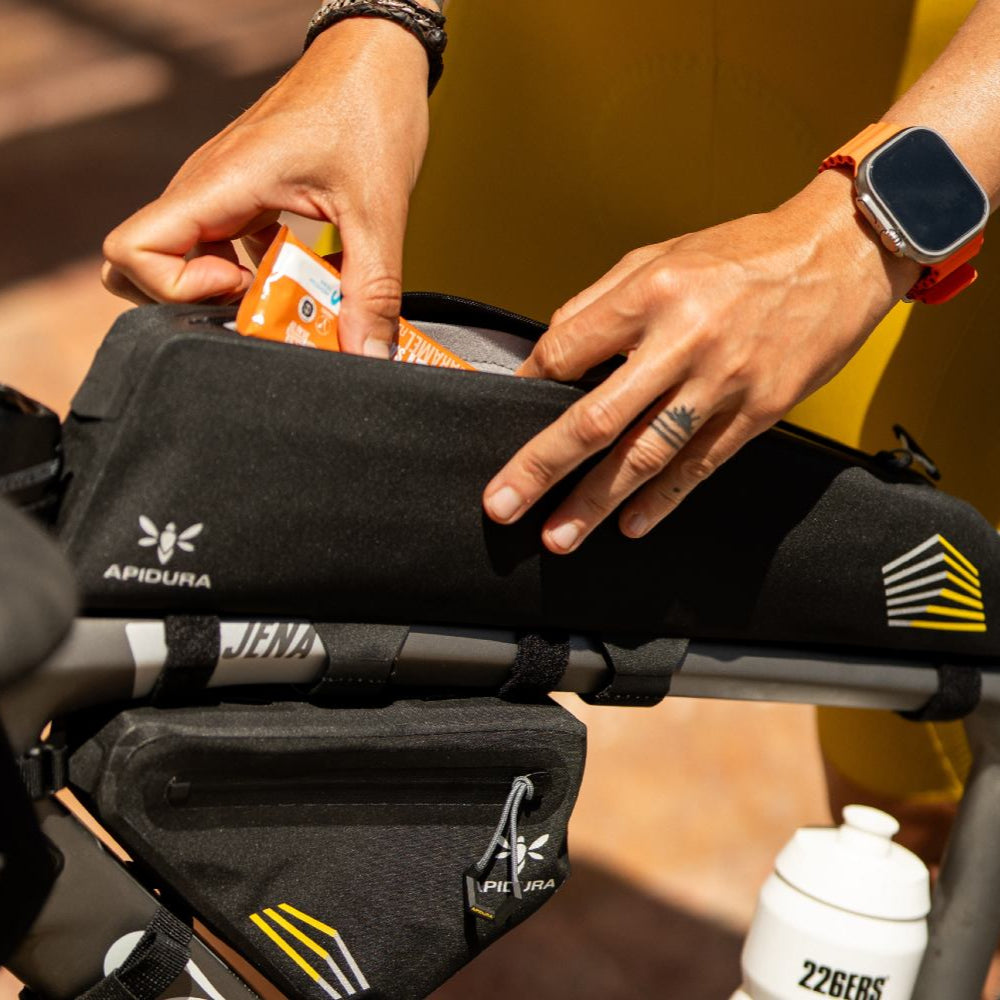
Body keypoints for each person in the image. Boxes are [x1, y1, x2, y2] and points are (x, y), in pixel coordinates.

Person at [102, 0, 1000, 988]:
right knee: (256, 757)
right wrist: (373, 26)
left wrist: (868, 226)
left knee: (917, 851)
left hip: (936, 160)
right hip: (526, 104)